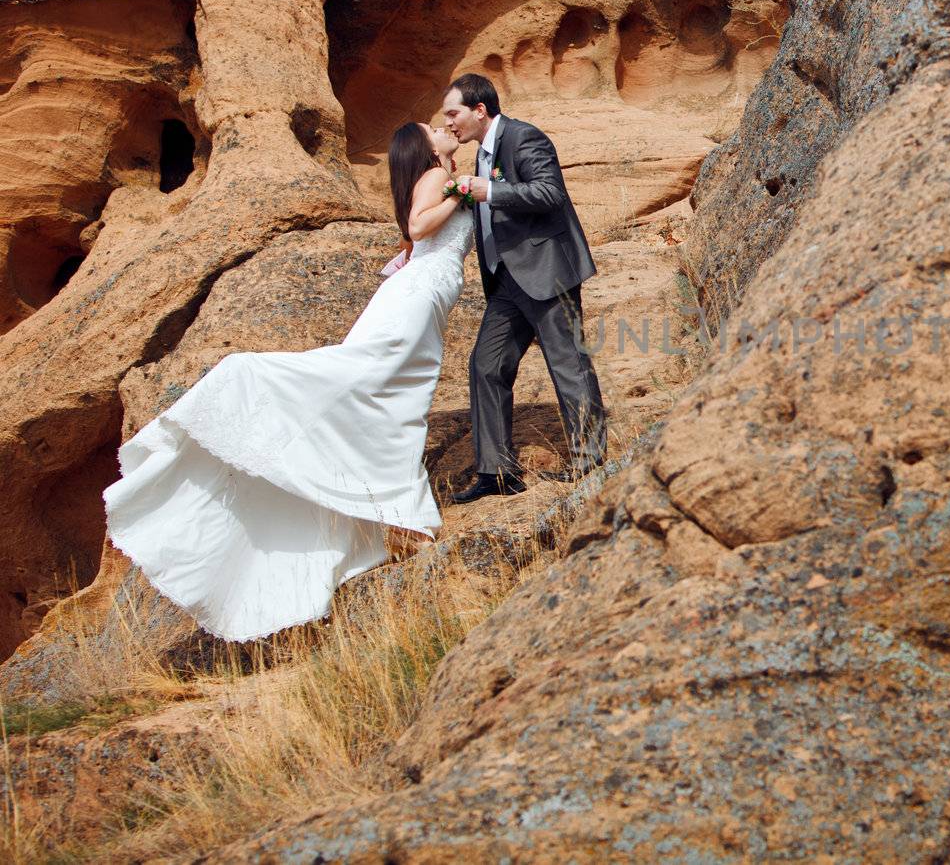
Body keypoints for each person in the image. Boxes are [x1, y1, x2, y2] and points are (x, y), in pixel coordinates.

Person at [103, 122, 473, 642]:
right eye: (433, 127)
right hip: (416, 299)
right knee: (382, 386)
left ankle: (389, 506)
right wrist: (461, 189)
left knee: (391, 392)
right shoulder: (439, 176)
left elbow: (416, 244)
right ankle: (391, 504)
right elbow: (418, 228)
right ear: (426, 148)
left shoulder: (439, 174)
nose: (443, 126)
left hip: (418, 293)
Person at [441, 74, 606, 502]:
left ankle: (590, 461)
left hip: (547, 271)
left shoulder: (524, 137)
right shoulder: (481, 154)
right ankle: (497, 474)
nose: (449, 123)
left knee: (567, 363)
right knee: (486, 366)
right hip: (505, 281)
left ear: (480, 110)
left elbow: (549, 193)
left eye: (453, 113)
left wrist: (490, 190)